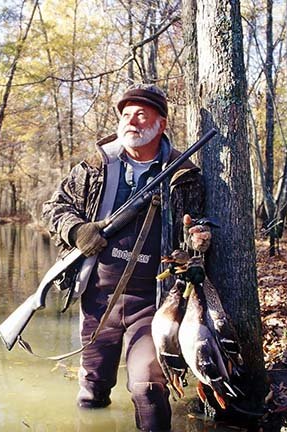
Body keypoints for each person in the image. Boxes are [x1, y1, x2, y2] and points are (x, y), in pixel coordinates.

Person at [42, 84, 211, 431]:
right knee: (92, 391)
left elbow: (198, 224)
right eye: (125, 114)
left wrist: (199, 237)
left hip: (154, 302)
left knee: (148, 388)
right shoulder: (94, 166)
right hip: (97, 298)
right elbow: (54, 208)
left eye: (141, 114)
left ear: (160, 124)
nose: (131, 121)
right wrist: (76, 230)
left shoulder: (183, 175)